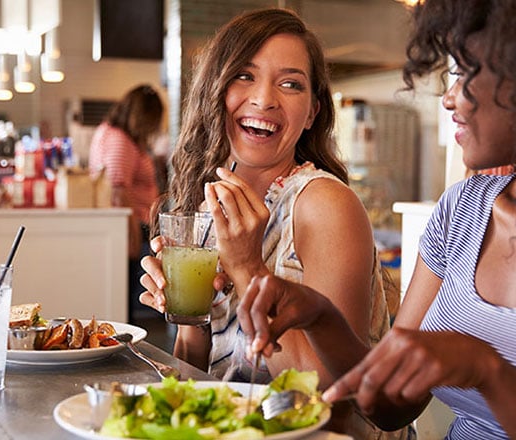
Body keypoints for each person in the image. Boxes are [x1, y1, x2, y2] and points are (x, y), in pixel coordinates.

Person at [238, 0, 516, 438]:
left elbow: (477, 370)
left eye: (467, 72)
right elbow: (387, 408)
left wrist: (488, 370)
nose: (450, 98)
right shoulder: (464, 210)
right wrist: (319, 316)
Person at [138, 8, 407, 438]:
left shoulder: (324, 204)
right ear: (215, 90)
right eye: (244, 75)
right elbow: (200, 373)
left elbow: (326, 396)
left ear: (313, 111)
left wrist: (247, 269)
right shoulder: (210, 205)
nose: (264, 99)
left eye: (290, 83)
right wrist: (188, 314)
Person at [89, 84, 165, 323]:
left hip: (133, 225)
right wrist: (132, 236)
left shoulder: (112, 133)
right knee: (131, 299)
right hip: (131, 227)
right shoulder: (119, 140)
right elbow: (119, 190)